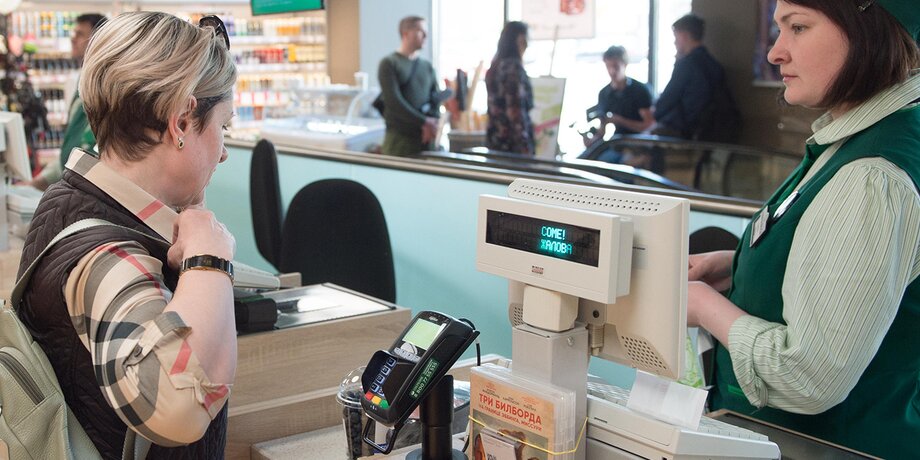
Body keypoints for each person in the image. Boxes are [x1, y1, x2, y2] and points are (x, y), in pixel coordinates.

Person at [686, 1, 920, 457]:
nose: (775, 52)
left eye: (798, 27)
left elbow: (809, 376)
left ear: (869, 33)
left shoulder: (870, 175)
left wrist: (703, 305)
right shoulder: (859, 138)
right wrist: (740, 267)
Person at [16, 11, 238, 459]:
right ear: (181, 122)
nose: (224, 152)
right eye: (223, 127)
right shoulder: (108, 253)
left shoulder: (67, 199)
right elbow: (179, 407)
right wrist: (210, 260)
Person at [27, 13, 107, 191]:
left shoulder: (104, 85)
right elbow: (72, 146)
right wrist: (38, 182)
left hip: (89, 188)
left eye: (79, 34)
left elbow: (92, 148)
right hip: (75, 184)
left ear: (97, 40)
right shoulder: (82, 80)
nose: (73, 39)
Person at [652, 14, 728, 139]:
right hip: (712, 133)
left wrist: (656, 111)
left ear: (684, 36)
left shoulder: (686, 65)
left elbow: (667, 101)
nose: (675, 42)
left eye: (676, 37)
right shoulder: (714, 65)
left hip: (686, 133)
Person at [378, 16, 441, 156]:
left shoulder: (427, 66)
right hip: (399, 140)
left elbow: (435, 99)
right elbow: (394, 101)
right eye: (420, 31)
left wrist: (432, 122)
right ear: (406, 33)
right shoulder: (389, 63)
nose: (425, 36)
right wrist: (424, 121)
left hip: (425, 139)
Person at [584, 45, 654, 163]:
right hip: (617, 143)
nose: (612, 71)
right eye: (608, 66)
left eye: (616, 66)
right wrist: (592, 140)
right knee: (587, 160)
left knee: (622, 163)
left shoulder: (640, 90)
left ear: (624, 64)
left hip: (639, 143)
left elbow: (649, 125)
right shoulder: (604, 93)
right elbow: (602, 130)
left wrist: (620, 121)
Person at [485, 21, 534, 155]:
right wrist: (525, 147)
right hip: (512, 144)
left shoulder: (495, 66)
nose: (527, 44)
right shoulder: (513, 68)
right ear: (519, 39)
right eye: (526, 38)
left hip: (495, 140)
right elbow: (515, 111)